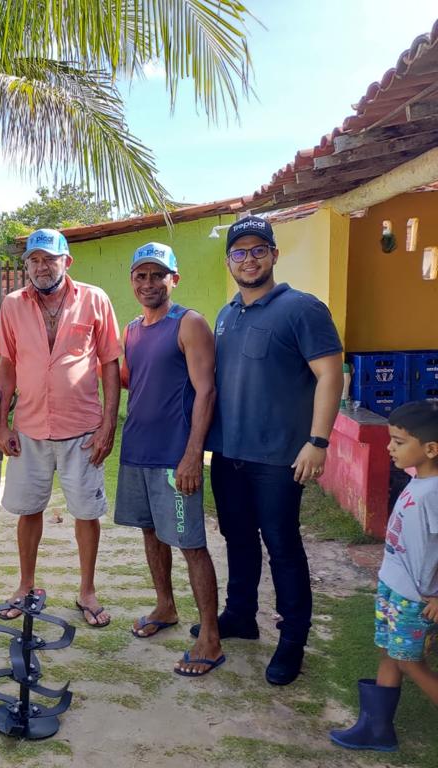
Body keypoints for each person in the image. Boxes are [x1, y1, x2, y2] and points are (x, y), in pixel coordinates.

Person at [200, 215, 343, 685]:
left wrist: (317, 442)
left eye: (258, 250)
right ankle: (240, 615)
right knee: (238, 539)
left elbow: (330, 375)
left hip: (279, 458)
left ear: (274, 255)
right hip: (230, 453)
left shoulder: (302, 308)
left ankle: (292, 639)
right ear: (229, 262)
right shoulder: (226, 314)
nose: (249, 259)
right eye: (239, 252)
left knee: (282, 546)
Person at [0, 229, 121, 627]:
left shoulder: (95, 299)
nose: (41, 266)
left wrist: (108, 426)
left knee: (86, 513)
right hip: (29, 427)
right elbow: (8, 367)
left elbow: (110, 365)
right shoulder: (12, 304)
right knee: (28, 511)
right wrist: (2, 422)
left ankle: (86, 590)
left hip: (82, 429)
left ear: (67, 261)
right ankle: (26, 585)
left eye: (49, 258)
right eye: (33, 259)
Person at [114, 243, 222, 674]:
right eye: (140, 276)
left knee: (191, 544)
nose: (148, 284)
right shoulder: (132, 329)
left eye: (158, 275)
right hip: (136, 451)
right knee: (150, 532)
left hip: (174, 458)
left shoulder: (189, 323)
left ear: (174, 278)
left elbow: (206, 390)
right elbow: (134, 383)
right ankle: (165, 607)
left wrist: (193, 455)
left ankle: (210, 637)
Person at [330, 401, 438, 752]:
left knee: (409, 661)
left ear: (430, 449)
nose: (389, 448)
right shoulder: (418, 479)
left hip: (416, 596)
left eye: (398, 441)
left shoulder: (435, 492)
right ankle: (376, 729)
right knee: (390, 653)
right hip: (394, 586)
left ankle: (377, 728)